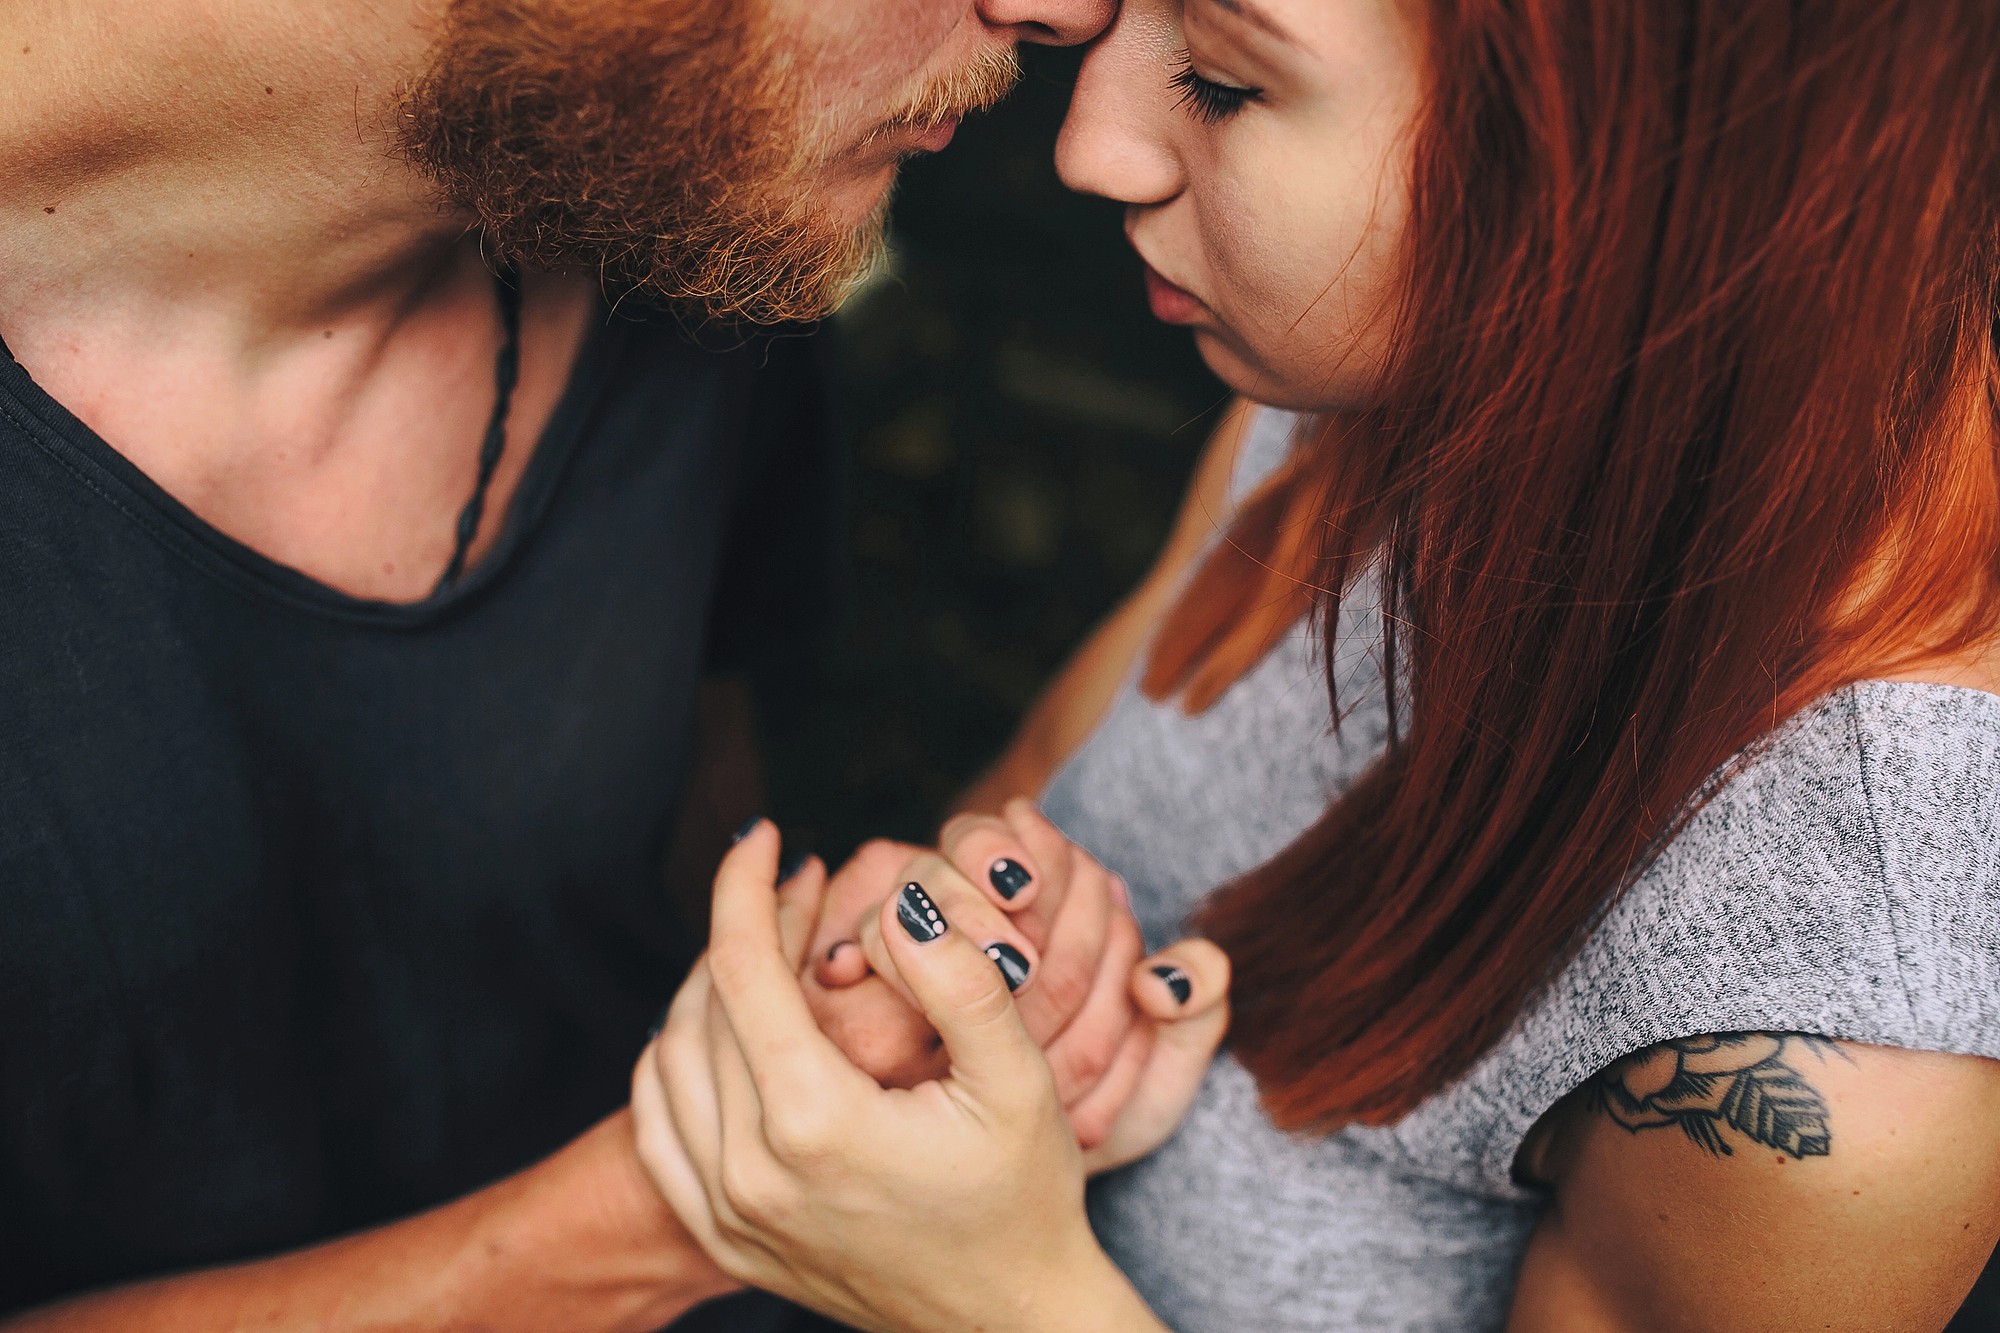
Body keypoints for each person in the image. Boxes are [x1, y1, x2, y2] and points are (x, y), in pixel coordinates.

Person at [633, 0, 2000, 1329]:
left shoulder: (1855, 1020)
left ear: (1646, 171)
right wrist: (954, 989)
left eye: (1227, 80)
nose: (1090, 146)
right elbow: (1046, 775)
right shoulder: (1393, 361)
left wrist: (994, 1293)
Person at [0, 0, 1204, 1328]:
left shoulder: (685, 191)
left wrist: (845, 1026)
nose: (1071, 10)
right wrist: (696, 1200)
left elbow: (689, 833)